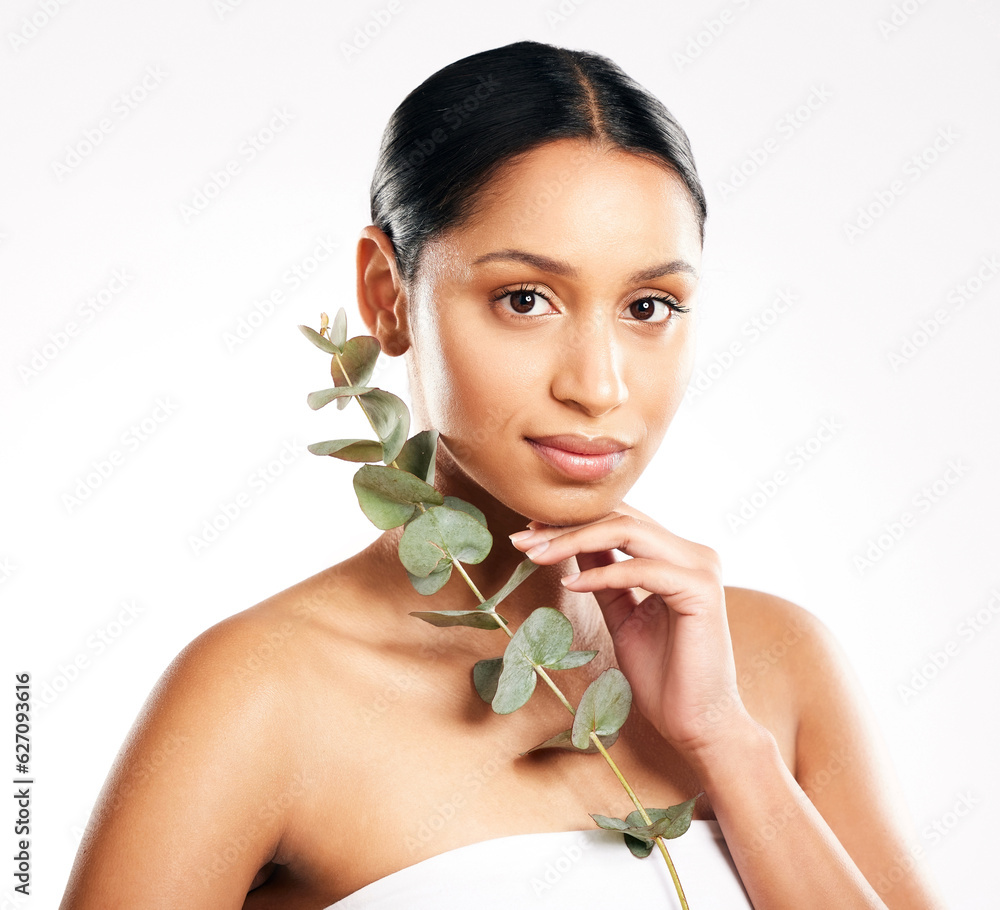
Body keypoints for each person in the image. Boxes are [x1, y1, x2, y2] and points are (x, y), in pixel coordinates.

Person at [59, 39, 947, 908]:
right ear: (385, 294)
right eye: (526, 299)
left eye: (650, 307)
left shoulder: (782, 667)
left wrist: (726, 743)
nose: (598, 386)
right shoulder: (255, 697)